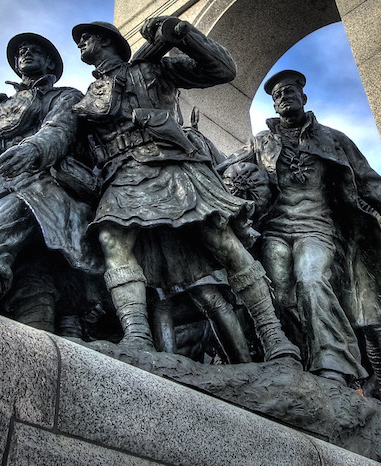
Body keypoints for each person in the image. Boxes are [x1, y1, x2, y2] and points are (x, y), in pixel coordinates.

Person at [70, 18, 298, 362]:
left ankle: (274, 337)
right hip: (120, 174)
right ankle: (137, 335)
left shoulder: (155, 68)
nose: (80, 42)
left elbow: (223, 70)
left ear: (106, 40)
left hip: (171, 164)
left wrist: (183, 33)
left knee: (220, 240)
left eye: (86, 37)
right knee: (112, 240)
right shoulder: (88, 95)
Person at [220, 70, 381, 411]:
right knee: (278, 293)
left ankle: (335, 367)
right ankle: (296, 359)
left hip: (319, 228)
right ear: (274, 103)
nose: (284, 98)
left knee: (312, 281)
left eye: (290, 92)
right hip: (275, 230)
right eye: (278, 94)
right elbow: (227, 171)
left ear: (304, 98)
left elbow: (369, 181)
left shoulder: (333, 139)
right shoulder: (260, 142)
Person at [0, 33, 103, 334]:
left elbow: (59, 130)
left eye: (36, 50)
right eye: (22, 51)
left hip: (45, 187)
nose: (26, 52)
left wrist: (33, 149)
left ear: (50, 63)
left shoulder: (65, 96)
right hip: (1, 186)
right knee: (32, 280)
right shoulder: (0, 108)